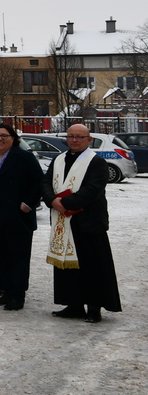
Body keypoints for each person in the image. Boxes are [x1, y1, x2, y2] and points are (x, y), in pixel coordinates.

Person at [41, 124, 122, 323]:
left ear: (88, 139)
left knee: (93, 266)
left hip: (88, 221)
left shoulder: (97, 162)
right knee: (68, 266)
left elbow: (93, 190)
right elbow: (45, 182)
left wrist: (64, 204)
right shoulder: (59, 159)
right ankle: (73, 304)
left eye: (79, 137)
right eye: (71, 136)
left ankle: (94, 307)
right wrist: (52, 200)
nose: (74, 140)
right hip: (63, 221)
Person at [0, 123, 41, 311]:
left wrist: (28, 204)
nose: (0, 139)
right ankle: (6, 291)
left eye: (4, 135)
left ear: (13, 138)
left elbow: (38, 182)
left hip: (18, 217)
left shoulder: (24, 157)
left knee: (17, 258)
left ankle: (18, 295)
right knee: (1, 257)